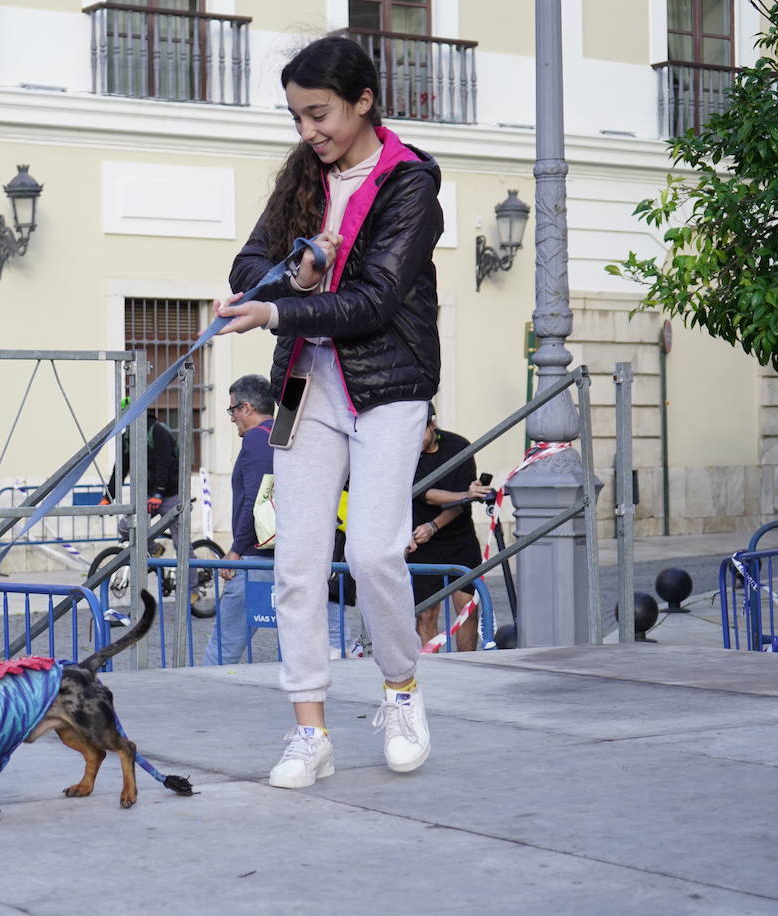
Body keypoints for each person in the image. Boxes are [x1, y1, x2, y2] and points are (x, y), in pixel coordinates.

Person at [211, 34, 443, 786]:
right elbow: (250, 264)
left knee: (374, 550)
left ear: (364, 101)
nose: (309, 131)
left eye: (321, 114)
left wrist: (280, 310)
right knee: (297, 561)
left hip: (388, 387)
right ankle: (309, 731)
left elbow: (376, 300)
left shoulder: (411, 185)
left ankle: (401, 690)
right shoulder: (302, 180)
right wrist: (296, 267)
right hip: (302, 390)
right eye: (298, 117)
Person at [203, 375, 346, 665]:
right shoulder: (288, 435)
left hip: (257, 556)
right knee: (303, 644)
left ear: (246, 408)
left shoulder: (257, 438)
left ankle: (205, 700)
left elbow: (255, 500)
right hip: (296, 553)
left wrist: (236, 550)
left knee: (223, 649)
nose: (232, 419)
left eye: (232, 410)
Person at [406, 405, 494, 652]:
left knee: (467, 608)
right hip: (423, 543)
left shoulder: (458, 447)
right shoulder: (407, 452)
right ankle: (431, 669)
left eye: (418, 432)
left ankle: (467, 664)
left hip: (460, 539)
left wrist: (434, 525)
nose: (413, 439)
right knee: (425, 614)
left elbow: (460, 503)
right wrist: (430, 528)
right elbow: (427, 494)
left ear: (432, 425)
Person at [100, 405, 181, 626]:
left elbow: (165, 463)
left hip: (171, 491)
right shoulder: (129, 437)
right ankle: (154, 549)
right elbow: (122, 467)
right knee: (127, 527)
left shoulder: (157, 431)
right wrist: (108, 495)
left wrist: (159, 492)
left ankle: (191, 590)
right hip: (149, 493)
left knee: (181, 542)